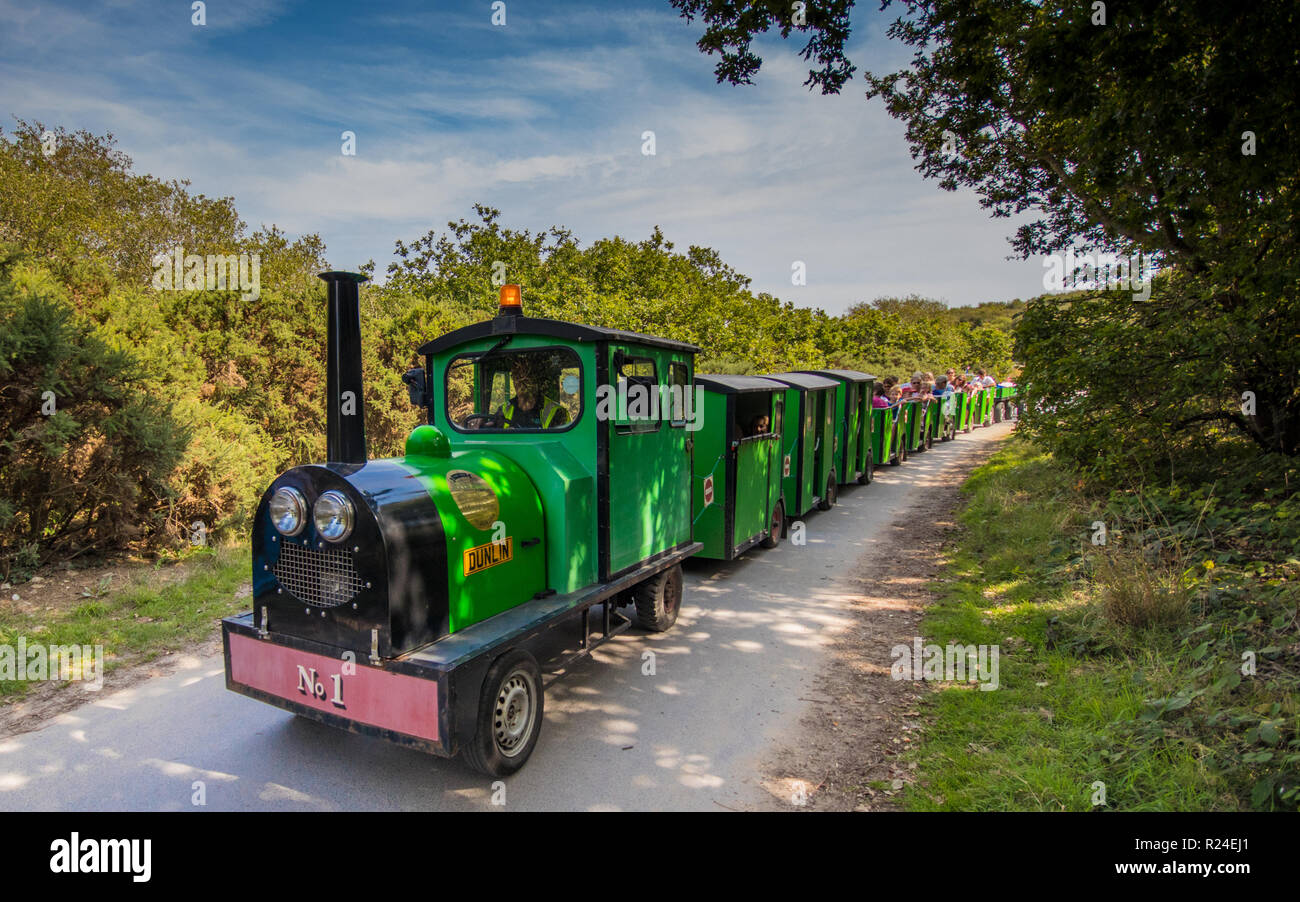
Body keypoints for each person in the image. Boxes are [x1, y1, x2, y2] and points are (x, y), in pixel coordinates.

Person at [503, 355, 570, 429]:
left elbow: (560, 439)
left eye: (525, 379)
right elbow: (493, 435)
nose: (519, 383)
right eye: (516, 377)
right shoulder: (504, 409)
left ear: (536, 381)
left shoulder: (558, 413)